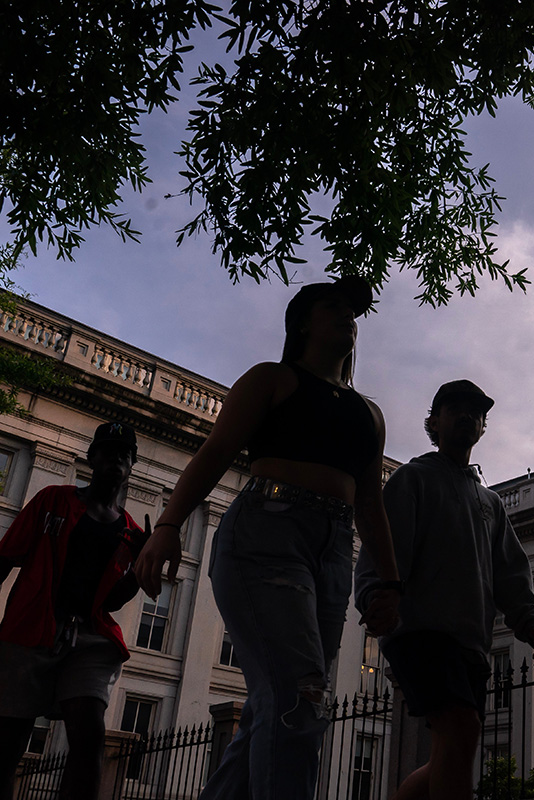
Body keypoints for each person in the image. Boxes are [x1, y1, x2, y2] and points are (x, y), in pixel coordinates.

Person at [134, 276, 404, 800]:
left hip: (332, 548)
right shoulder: (270, 380)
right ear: (302, 320)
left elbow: (371, 503)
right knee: (300, 695)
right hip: (266, 532)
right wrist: (167, 526)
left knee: (277, 705)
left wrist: (389, 583)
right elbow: (213, 453)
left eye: (352, 312)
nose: (348, 317)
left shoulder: (369, 413)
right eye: (333, 307)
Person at [356, 379, 534, 800]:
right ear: (435, 422)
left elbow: (510, 572)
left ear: (483, 428)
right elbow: (383, 543)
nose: (467, 416)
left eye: (476, 413)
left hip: (470, 643)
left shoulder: (490, 503)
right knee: (462, 729)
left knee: (452, 749)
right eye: (455, 409)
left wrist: (529, 618)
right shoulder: (413, 479)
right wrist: (378, 594)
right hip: (421, 632)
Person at [0, 422, 147, 800]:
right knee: (8, 742)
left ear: (132, 464)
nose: (117, 457)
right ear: (92, 457)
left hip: (90, 639)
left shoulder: (129, 530)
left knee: (89, 735)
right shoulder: (52, 500)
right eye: (108, 450)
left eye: (125, 453)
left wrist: (140, 565)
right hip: (30, 630)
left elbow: (112, 601)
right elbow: (5, 556)